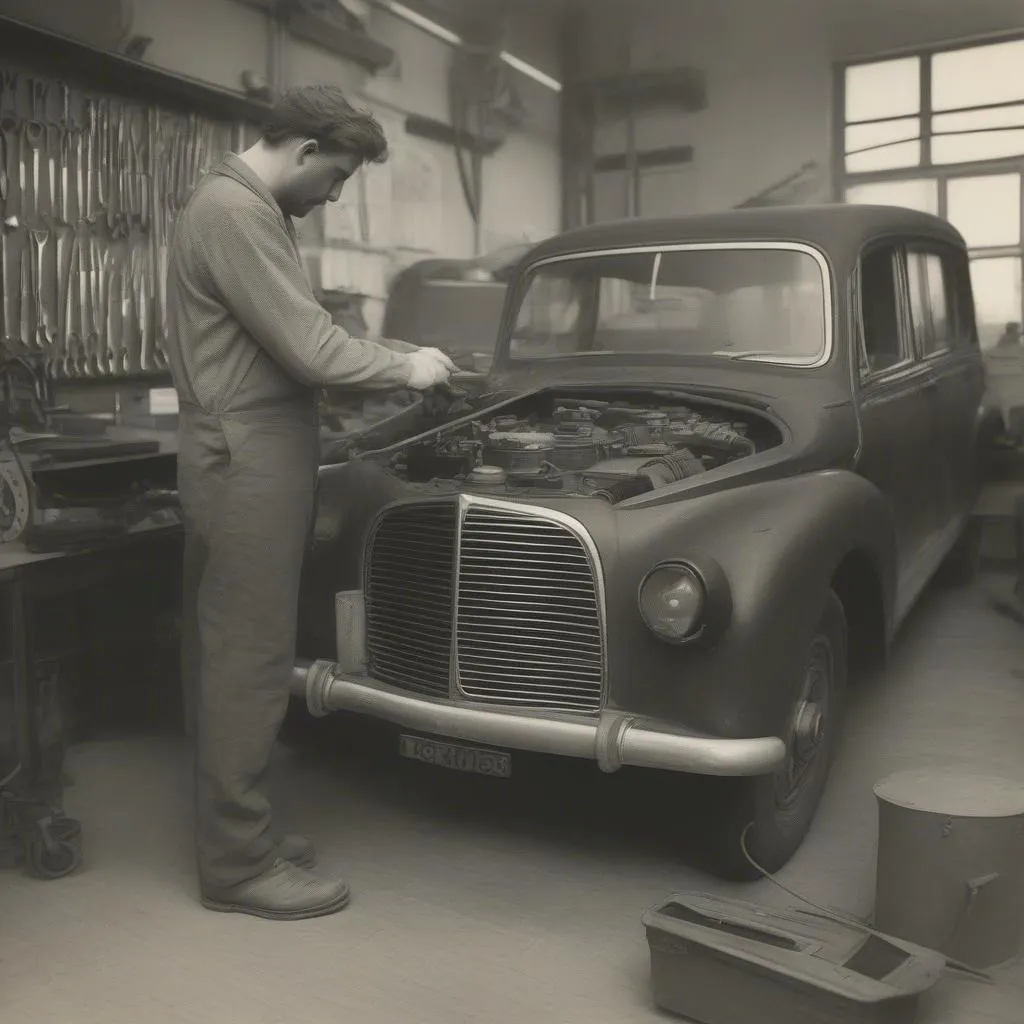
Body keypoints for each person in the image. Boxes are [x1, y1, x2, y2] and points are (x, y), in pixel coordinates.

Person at [164, 85, 457, 921]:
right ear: (301, 151)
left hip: (256, 447)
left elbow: (303, 327)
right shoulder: (233, 213)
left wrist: (409, 350)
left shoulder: (255, 213)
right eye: (334, 178)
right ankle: (236, 862)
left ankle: (241, 831)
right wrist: (406, 370)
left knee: (239, 648)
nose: (334, 197)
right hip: (245, 454)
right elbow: (309, 347)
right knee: (246, 659)